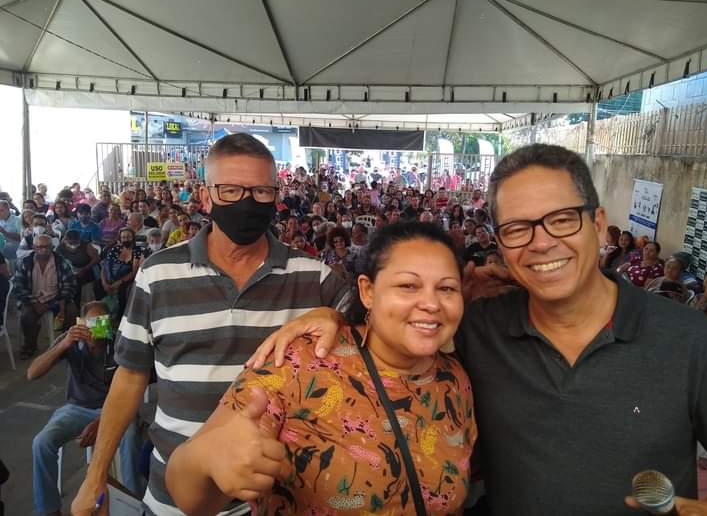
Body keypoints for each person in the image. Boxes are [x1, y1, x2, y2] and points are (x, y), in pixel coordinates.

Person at [251, 144, 707, 516]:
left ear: (598, 225)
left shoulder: (691, 340)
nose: (541, 243)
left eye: (561, 220)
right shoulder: (480, 328)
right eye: (517, 228)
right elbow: (400, 329)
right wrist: (337, 318)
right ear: (501, 244)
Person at [71, 133, 350, 516]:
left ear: (275, 197)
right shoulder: (158, 274)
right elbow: (131, 376)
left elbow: (374, 329)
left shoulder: (314, 278)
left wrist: (335, 315)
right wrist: (95, 475)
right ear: (205, 197)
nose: (247, 202)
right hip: (175, 499)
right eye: (230, 191)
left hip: (279, 498)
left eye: (261, 191)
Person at [166, 221, 476, 515]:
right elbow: (189, 497)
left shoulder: (454, 380)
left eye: (447, 289)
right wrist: (208, 460)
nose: (431, 303)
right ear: (368, 291)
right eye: (408, 285)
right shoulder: (299, 363)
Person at [27, 301, 144, 516]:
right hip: (76, 408)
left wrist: (102, 421)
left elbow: (131, 390)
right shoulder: (71, 340)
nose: (96, 328)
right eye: (91, 322)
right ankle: (48, 510)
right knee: (41, 442)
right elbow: (32, 373)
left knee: (130, 436)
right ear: (81, 323)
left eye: (102, 321)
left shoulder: (119, 342)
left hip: (114, 409)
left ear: (109, 322)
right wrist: (63, 344)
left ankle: (133, 506)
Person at [14, 234, 77, 359]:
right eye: (39, 247)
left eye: (47, 247)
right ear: (33, 247)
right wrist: (35, 302)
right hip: (32, 299)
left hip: (56, 299)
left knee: (72, 311)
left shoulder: (61, 262)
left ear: (52, 247)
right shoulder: (25, 262)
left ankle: (66, 344)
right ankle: (30, 345)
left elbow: (70, 284)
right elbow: (19, 286)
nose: (43, 250)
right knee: (27, 315)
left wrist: (62, 301)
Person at [97, 228, 142, 321]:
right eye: (123, 237)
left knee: (122, 290)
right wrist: (104, 282)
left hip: (127, 277)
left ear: (133, 238)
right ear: (120, 238)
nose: (126, 239)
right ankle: (101, 312)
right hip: (111, 275)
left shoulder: (137, 250)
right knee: (97, 285)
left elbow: (134, 271)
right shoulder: (115, 249)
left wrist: (119, 282)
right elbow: (105, 266)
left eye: (128, 237)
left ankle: (120, 317)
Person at [56, 229, 100, 306]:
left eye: (76, 242)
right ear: (65, 240)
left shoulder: (86, 245)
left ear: (79, 240)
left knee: (87, 295)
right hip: (70, 270)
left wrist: (84, 269)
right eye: (71, 243)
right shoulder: (61, 247)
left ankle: (86, 306)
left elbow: (96, 259)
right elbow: (56, 260)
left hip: (87, 269)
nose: (73, 245)